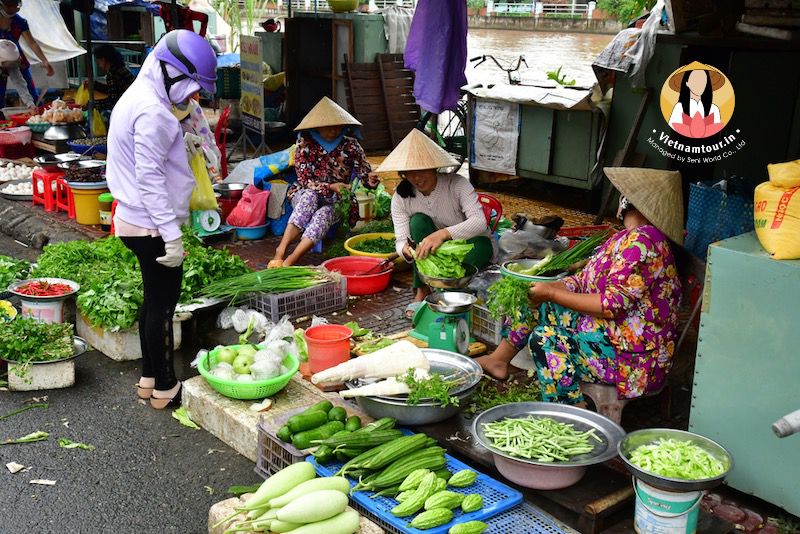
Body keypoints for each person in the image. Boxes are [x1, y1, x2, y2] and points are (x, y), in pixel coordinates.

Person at [477, 168, 683, 406]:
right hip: (610, 331)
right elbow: (583, 280)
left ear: (627, 201)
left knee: (546, 340)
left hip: (630, 358)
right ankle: (499, 360)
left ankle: (572, 411)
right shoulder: (624, 237)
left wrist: (553, 293)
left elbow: (610, 306)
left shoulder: (642, 243)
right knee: (532, 301)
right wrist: (554, 286)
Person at [106, 30, 216, 409]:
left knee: (153, 301)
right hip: (151, 225)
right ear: (169, 72)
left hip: (134, 220)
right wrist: (172, 237)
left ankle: (148, 377)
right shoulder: (155, 112)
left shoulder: (138, 96)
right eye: (190, 87)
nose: (193, 97)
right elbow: (149, 180)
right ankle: (166, 388)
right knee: (164, 307)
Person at [377, 129, 494, 318]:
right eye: (410, 172)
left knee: (482, 246)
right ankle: (422, 290)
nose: (417, 178)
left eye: (422, 170)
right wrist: (406, 250)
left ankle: (450, 293)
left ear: (435, 167)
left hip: (469, 245)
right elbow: (400, 240)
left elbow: (479, 222)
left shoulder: (457, 184)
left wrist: (442, 235)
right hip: (430, 253)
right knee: (418, 221)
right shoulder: (400, 198)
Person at [269, 96, 378, 268]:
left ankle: (292, 258)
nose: (334, 131)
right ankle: (280, 251)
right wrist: (330, 187)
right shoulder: (304, 145)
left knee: (324, 214)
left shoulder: (352, 146)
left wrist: (371, 179)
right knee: (310, 197)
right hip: (306, 192)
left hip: (338, 200)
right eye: (328, 127)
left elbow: (365, 176)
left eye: (337, 126)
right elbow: (305, 181)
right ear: (317, 127)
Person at [0, 0, 54, 109]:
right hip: (2, 58)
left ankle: (36, 114)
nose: (13, 9)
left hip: (15, 56)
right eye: (10, 6)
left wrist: (45, 61)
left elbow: (32, 43)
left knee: (28, 89)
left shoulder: (20, 22)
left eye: (15, 5)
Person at [667, 61, 725, 139]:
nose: (700, 84)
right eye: (695, 79)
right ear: (687, 82)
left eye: (703, 80)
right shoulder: (679, 108)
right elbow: (674, 134)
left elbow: (716, 135)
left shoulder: (714, 109)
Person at [93, 44, 135, 110]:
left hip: (128, 106)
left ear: (103, 59)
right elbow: (112, 90)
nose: (98, 65)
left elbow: (112, 102)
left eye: (98, 61)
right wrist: (94, 85)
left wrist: (93, 104)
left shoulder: (112, 74)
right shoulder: (120, 69)